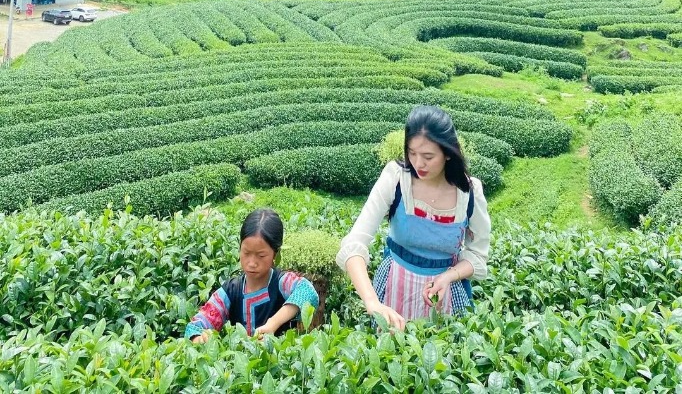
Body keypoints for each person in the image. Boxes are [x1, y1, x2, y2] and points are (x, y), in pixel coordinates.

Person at [337, 105, 491, 330]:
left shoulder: (469, 192)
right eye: (412, 153)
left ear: (448, 153)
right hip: (393, 287)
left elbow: (478, 254)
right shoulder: (396, 179)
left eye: (428, 156)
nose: (419, 164)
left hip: (445, 293)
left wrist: (449, 276)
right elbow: (354, 243)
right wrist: (373, 303)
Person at [185, 208, 319, 341]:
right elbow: (194, 327)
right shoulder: (230, 291)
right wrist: (200, 339)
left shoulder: (281, 282)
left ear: (275, 254)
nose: (252, 263)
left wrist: (273, 323)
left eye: (261, 255)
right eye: (246, 253)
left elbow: (308, 291)